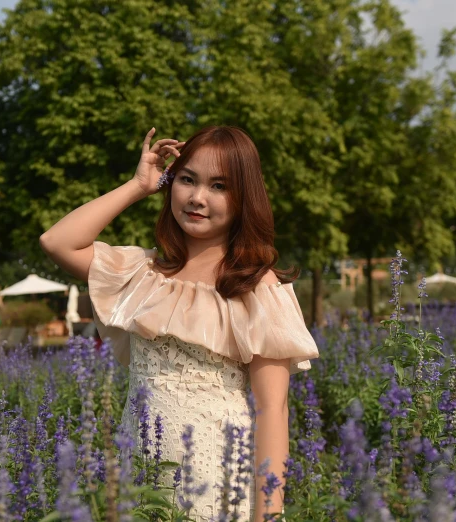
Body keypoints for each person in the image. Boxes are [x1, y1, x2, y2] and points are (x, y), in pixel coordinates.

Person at [40, 126, 319, 519]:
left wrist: (268, 516)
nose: (197, 198)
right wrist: (138, 185)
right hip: (138, 480)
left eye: (218, 186)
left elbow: (272, 411)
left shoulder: (256, 287)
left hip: (217, 487)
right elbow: (57, 241)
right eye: (187, 179)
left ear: (244, 198)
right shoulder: (143, 274)